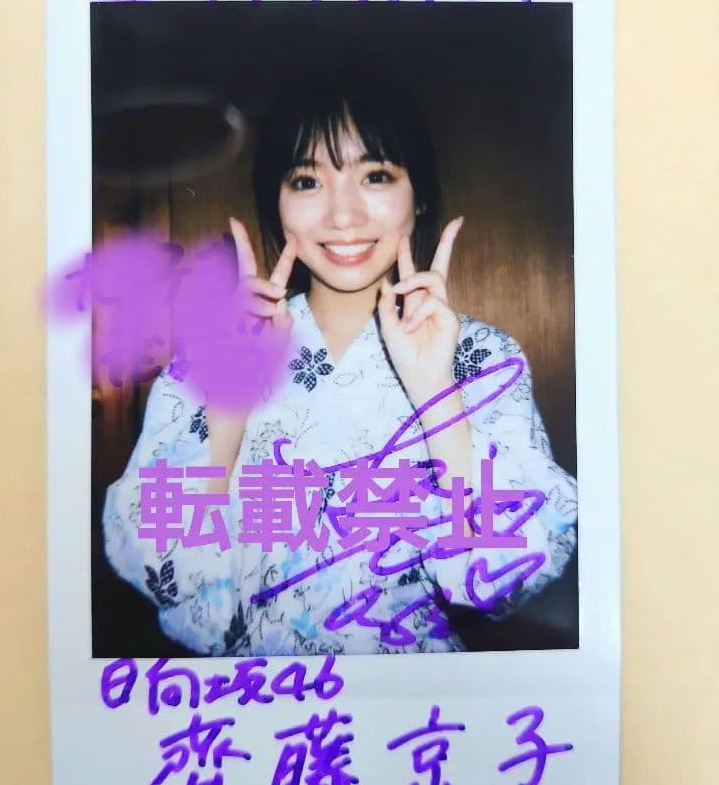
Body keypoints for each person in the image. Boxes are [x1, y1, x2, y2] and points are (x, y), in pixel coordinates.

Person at [102, 69, 578, 655]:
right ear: (277, 203)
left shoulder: (481, 358)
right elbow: (166, 572)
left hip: (418, 701)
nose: (343, 215)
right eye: (308, 181)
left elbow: (503, 578)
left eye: (375, 176)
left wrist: (437, 395)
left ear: (419, 194)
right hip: (261, 700)